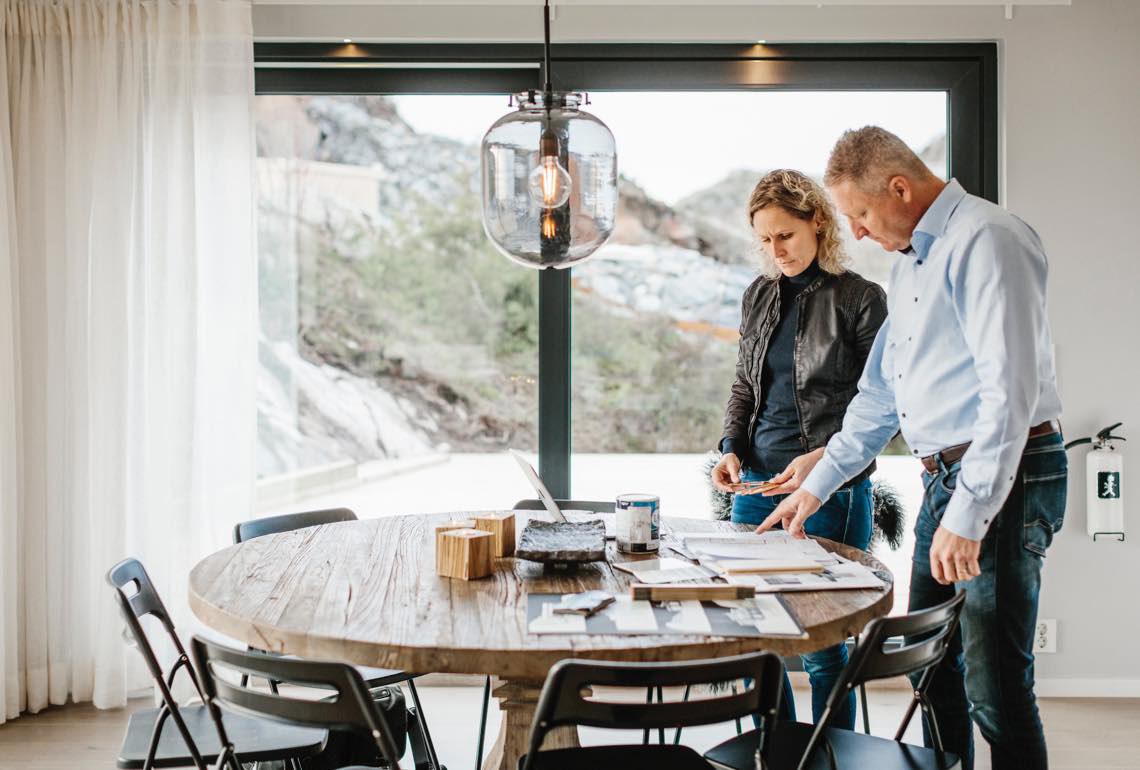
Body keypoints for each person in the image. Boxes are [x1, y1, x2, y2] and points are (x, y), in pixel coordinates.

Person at [757, 127, 1065, 770]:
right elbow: (877, 399)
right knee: (932, 672)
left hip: (1003, 476)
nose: (859, 233)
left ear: (899, 188)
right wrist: (815, 487)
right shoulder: (912, 266)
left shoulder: (989, 240)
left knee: (997, 688)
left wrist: (968, 515)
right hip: (944, 480)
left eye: (861, 214)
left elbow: (1009, 391)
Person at [711, 168, 887, 729]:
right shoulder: (758, 294)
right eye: (764, 239)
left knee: (821, 642)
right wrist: (730, 446)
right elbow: (744, 384)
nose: (775, 250)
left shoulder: (861, 298)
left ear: (817, 222)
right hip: (756, 486)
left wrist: (825, 461)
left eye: (785, 234)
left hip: (827, 487)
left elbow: (881, 404)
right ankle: (775, 751)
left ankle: (828, 755)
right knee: (752, 638)